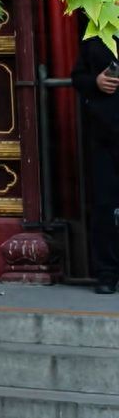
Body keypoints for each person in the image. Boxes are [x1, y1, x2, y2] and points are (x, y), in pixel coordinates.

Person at [71, 37, 119, 293]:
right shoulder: (95, 36)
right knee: (104, 206)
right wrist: (96, 82)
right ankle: (106, 273)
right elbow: (77, 77)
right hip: (104, 135)